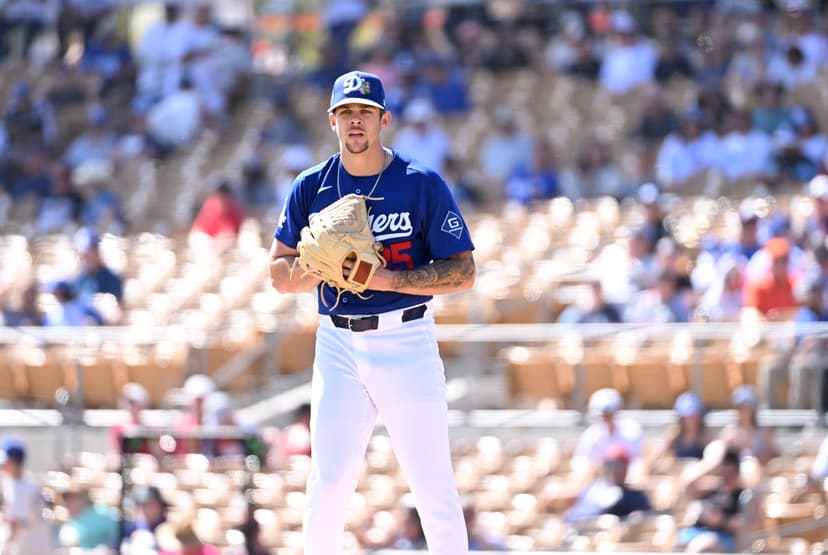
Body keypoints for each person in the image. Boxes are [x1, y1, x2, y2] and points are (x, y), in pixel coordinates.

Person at [269, 70, 475, 554]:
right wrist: (322, 266)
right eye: (346, 112)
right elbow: (278, 273)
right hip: (337, 342)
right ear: (332, 121)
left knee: (432, 486)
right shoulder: (311, 186)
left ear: (384, 119)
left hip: (405, 338)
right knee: (328, 482)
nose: (355, 120)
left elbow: (463, 272)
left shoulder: (420, 183)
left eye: (365, 111)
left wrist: (388, 280)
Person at [564, 443, 651, 523]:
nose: (612, 469)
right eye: (609, 465)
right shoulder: (593, 488)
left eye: (617, 465)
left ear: (626, 467)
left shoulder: (635, 497)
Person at [0, 437, 52, 555]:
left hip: (31, 547)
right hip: (31, 543)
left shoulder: (22, 489)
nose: (2, 465)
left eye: (6, 462)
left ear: (15, 462)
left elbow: (15, 525)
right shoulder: (13, 480)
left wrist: (4, 549)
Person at [573, 388, 644, 469]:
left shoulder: (632, 430)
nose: (606, 419)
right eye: (603, 415)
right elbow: (580, 463)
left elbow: (637, 462)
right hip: (598, 475)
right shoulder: (590, 435)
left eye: (609, 414)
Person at [720, 386, 778, 464]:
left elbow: (774, 456)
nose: (744, 410)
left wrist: (757, 458)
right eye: (740, 407)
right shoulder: (729, 432)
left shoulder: (764, 433)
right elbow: (723, 459)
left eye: (747, 407)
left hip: (759, 468)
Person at [57, 483, 119, 550]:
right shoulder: (70, 520)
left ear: (83, 498)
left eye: (72, 499)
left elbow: (117, 537)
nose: (68, 503)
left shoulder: (103, 513)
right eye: (66, 500)